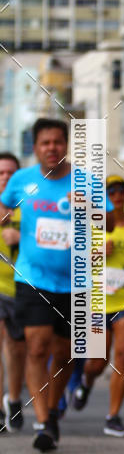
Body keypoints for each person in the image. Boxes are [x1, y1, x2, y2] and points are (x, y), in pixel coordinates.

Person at [0, 118, 113, 453]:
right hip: (31, 278)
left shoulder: (87, 182)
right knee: (36, 347)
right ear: (35, 147)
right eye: (45, 143)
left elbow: (109, 221)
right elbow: (5, 205)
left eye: (57, 142)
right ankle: (43, 422)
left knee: (65, 353)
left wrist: (89, 208)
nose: (52, 148)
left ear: (66, 145)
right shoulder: (21, 180)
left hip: (76, 281)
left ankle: (51, 410)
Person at [71, 175, 124, 437]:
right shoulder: (92, 226)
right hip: (98, 302)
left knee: (122, 358)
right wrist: (96, 254)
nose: (117, 195)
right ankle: (86, 382)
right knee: (98, 362)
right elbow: (74, 262)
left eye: (121, 190)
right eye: (112, 191)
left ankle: (113, 416)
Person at [0, 152, 26, 433]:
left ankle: (15, 399)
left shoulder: (29, 206)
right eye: (0, 173)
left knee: (17, 350)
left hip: (23, 288)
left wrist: (21, 236)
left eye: (10, 172)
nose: (5, 177)